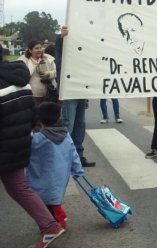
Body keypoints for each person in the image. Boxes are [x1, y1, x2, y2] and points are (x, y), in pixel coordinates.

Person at [0, 44, 65, 248]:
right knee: (19, 188)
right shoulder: (22, 79)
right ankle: (50, 225)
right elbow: (33, 115)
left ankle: (50, 225)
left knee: (18, 188)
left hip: (5, 147)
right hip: (20, 144)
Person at [26, 102, 84, 230]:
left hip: (41, 175)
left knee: (46, 201)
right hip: (60, 176)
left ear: (39, 119)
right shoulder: (66, 135)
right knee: (53, 198)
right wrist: (77, 170)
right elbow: (74, 154)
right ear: (59, 117)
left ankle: (58, 222)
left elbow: (26, 153)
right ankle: (55, 219)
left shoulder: (37, 139)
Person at [56, 27, 96, 167]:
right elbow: (59, 55)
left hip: (81, 91)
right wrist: (62, 38)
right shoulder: (64, 49)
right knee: (69, 124)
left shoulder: (84, 53)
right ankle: (63, 158)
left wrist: (87, 97)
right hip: (69, 91)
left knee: (80, 125)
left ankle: (78, 156)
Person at [19, 40, 57, 105]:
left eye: (40, 48)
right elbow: (21, 76)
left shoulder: (48, 59)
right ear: (30, 50)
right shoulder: (24, 61)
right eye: (36, 48)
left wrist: (49, 74)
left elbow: (56, 72)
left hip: (49, 93)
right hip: (32, 94)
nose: (39, 50)